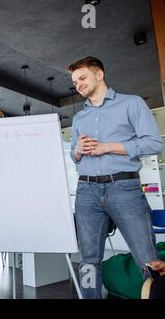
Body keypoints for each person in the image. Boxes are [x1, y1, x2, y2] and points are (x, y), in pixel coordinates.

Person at [68, 56, 163, 299]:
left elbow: (153, 143)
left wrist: (107, 147)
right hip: (86, 192)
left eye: (82, 77)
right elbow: (74, 156)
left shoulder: (132, 104)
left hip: (124, 188)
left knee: (147, 257)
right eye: (74, 81)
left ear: (99, 75)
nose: (78, 84)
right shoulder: (79, 118)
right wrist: (78, 149)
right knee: (89, 260)